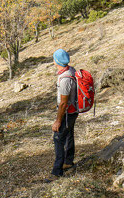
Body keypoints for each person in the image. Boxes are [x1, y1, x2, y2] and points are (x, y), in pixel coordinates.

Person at [50, 48, 78, 179]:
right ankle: (68, 161)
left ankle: (57, 171)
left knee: (58, 138)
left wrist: (58, 121)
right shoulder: (71, 70)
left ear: (56, 61)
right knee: (69, 135)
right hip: (74, 111)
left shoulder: (65, 79)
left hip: (68, 112)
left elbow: (63, 103)